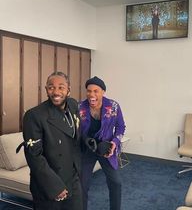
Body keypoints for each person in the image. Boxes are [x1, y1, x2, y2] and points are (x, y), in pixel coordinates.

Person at [22, 71, 83, 210]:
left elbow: (76, 137)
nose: (56, 91)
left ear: (68, 90)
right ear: (46, 89)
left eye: (61, 87)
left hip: (73, 178)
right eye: (51, 87)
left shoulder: (73, 105)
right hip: (49, 182)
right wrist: (55, 187)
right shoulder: (34, 116)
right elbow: (34, 157)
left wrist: (95, 144)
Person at [78, 76, 126, 210]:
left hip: (106, 149)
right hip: (87, 149)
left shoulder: (114, 106)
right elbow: (76, 129)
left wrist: (114, 143)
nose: (91, 95)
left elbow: (121, 127)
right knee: (82, 184)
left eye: (95, 91)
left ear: (103, 92)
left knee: (116, 182)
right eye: (89, 91)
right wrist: (84, 138)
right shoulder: (79, 107)